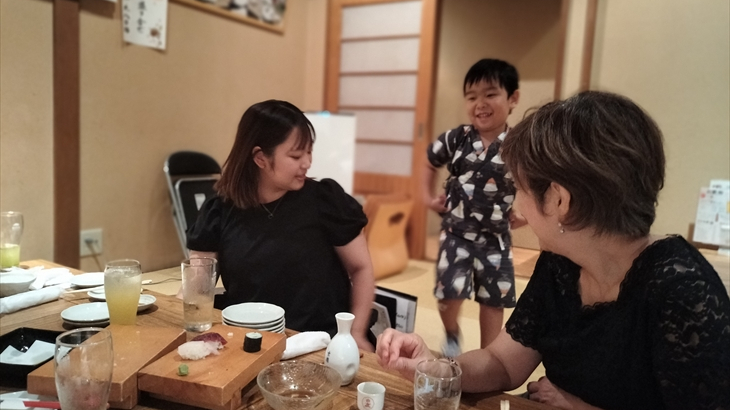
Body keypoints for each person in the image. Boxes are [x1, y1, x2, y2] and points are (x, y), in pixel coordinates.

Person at [377, 91, 730, 409]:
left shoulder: (684, 291)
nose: (517, 205)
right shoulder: (561, 264)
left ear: (560, 200)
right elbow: (503, 363)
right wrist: (435, 368)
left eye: (519, 189)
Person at [183, 100, 376, 351]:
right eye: (296, 156)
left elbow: (361, 268)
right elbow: (197, 288)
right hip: (247, 344)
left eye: (309, 152)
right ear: (260, 158)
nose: (307, 163)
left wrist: (356, 333)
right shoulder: (219, 210)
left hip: (319, 343)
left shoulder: (325, 201)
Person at [422, 58, 526, 356]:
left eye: (490, 94)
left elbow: (539, 182)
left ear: (513, 98)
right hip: (456, 233)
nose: (480, 103)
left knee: (494, 300)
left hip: (496, 238)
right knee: (448, 293)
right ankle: (452, 333)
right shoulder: (457, 138)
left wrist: (528, 215)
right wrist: (427, 197)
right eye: (471, 97)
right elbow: (429, 161)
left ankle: (488, 357)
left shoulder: (518, 145)